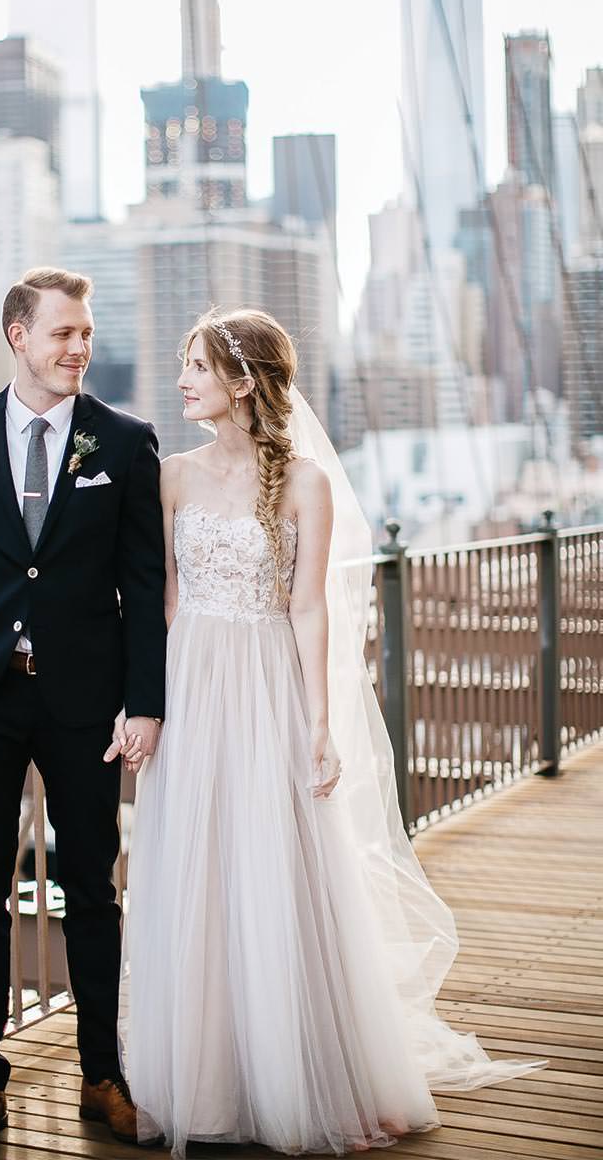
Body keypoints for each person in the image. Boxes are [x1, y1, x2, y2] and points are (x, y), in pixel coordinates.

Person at [121, 307, 542, 1157]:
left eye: (198, 366)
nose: (182, 380)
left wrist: (318, 723)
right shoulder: (170, 477)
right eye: (184, 365)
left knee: (276, 865)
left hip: (268, 686)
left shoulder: (304, 483)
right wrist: (149, 705)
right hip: (193, 686)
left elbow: (308, 607)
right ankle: (211, 1078)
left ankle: (297, 1071)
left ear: (244, 381)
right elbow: (160, 601)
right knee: (198, 869)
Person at [0, 266, 166, 1155]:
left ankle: (101, 1074)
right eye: (63, 333)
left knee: (91, 889)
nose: (79, 347)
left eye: (85, 333)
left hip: (85, 702)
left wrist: (145, 703)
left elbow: (143, 582)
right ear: (19, 336)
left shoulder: (123, 441)